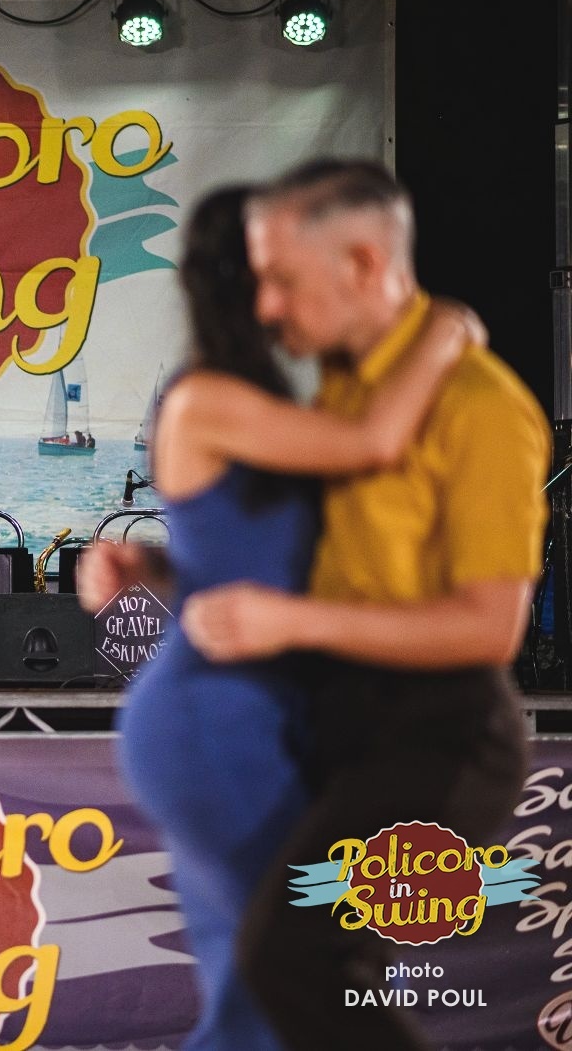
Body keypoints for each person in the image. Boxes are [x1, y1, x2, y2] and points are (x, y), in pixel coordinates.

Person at [77, 184, 484, 1051]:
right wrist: (447, 331)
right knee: (279, 979)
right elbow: (374, 442)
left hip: (260, 712)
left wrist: (146, 566)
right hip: (213, 717)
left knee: (256, 984)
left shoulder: (259, 400)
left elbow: (233, 560)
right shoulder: (204, 399)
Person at [175, 160, 550, 1050]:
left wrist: (291, 622)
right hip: (345, 720)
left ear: (363, 264)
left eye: (282, 279)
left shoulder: (479, 405)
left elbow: (489, 627)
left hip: (441, 732)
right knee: (305, 978)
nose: (266, 307)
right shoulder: (349, 389)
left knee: (291, 959)